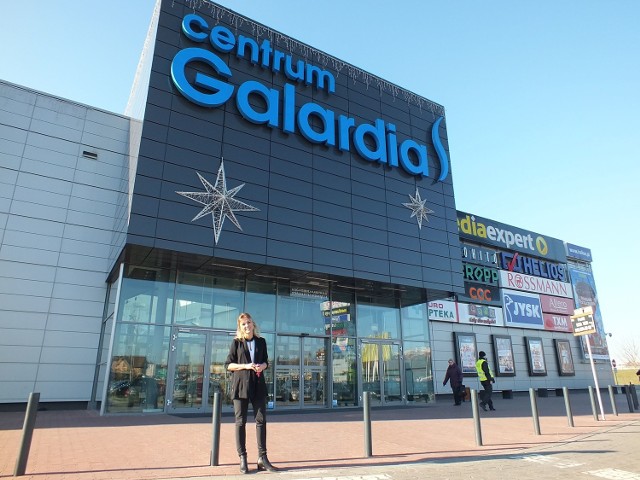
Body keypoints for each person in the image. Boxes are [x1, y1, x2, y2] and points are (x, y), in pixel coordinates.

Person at [225, 312, 278, 474]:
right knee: (240, 422)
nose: (247, 326)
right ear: (240, 327)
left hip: (258, 386)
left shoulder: (261, 342)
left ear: (253, 324)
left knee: (261, 421)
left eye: (249, 322)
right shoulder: (236, 343)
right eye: (243, 324)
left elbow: (266, 362)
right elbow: (228, 365)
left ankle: (262, 458)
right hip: (241, 386)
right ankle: (243, 457)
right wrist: (246, 366)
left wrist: (263, 366)